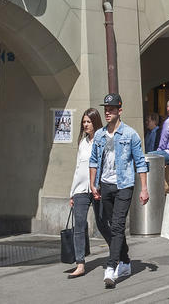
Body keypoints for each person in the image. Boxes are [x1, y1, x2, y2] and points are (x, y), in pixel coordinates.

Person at [88, 93, 150, 289]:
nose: (107, 112)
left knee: (117, 226)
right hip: (105, 184)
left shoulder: (130, 134)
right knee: (108, 225)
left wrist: (144, 189)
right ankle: (125, 261)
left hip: (124, 185)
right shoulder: (99, 135)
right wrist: (93, 184)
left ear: (119, 111)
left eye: (112, 109)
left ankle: (111, 267)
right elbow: (93, 161)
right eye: (106, 109)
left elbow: (140, 162)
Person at [67, 109, 102, 278]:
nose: (86, 125)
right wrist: (72, 192)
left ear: (95, 122)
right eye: (84, 122)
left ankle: (119, 256)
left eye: (88, 121)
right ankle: (80, 263)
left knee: (104, 224)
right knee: (79, 226)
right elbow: (77, 169)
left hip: (98, 189)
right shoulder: (82, 142)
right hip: (81, 189)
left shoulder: (102, 140)